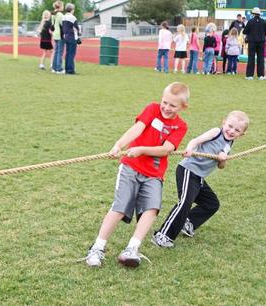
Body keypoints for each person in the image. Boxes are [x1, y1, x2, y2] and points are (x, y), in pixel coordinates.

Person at [82, 82, 189, 268]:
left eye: (173, 105)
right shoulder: (152, 109)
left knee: (152, 208)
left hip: (154, 174)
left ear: (182, 107)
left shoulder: (180, 126)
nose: (167, 108)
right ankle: (97, 248)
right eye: (165, 102)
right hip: (131, 167)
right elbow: (137, 129)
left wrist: (141, 149)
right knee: (120, 206)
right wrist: (119, 145)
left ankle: (132, 248)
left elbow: (166, 150)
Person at [152, 111, 249, 248]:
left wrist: (223, 159)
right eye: (230, 126)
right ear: (223, 122)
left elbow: (221, 166)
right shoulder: (216, 132)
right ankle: (163, 235)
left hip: (199, 177)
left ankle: (188, 222)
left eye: (237, 130)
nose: (231, 131)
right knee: (185, 202)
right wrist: (190, 148)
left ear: (241, 134)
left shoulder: (229, 145)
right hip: (188, 170)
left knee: (212, 203)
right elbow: (195, 141)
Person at [243, 7, 266, 80]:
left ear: (253, 14)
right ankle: (261, 75)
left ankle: (250, 75)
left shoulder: (250, 21)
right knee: (260, 58)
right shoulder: (263, 22)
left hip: (252, 42)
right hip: (261, 42)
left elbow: (244, 31)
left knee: (251, 58)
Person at [62, 3, 80, 75]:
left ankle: (67, 69)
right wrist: (79, 35)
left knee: (67, 53)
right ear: (72, 10)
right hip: (72, 37)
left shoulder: (63, 17)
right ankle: (71, 70)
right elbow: (77, 28)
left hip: (66, 36)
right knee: (72, 54)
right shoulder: (73, 17)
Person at [51, 1, 65, 74]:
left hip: (55, 34)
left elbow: (52, 26)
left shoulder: (53, 14)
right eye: (63, 6)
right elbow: (63, 25)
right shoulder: (60, 15)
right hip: (60, 35)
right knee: (60, 52)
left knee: (56, 51)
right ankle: (59, 68)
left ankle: (54, 68)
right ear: (60, 6)